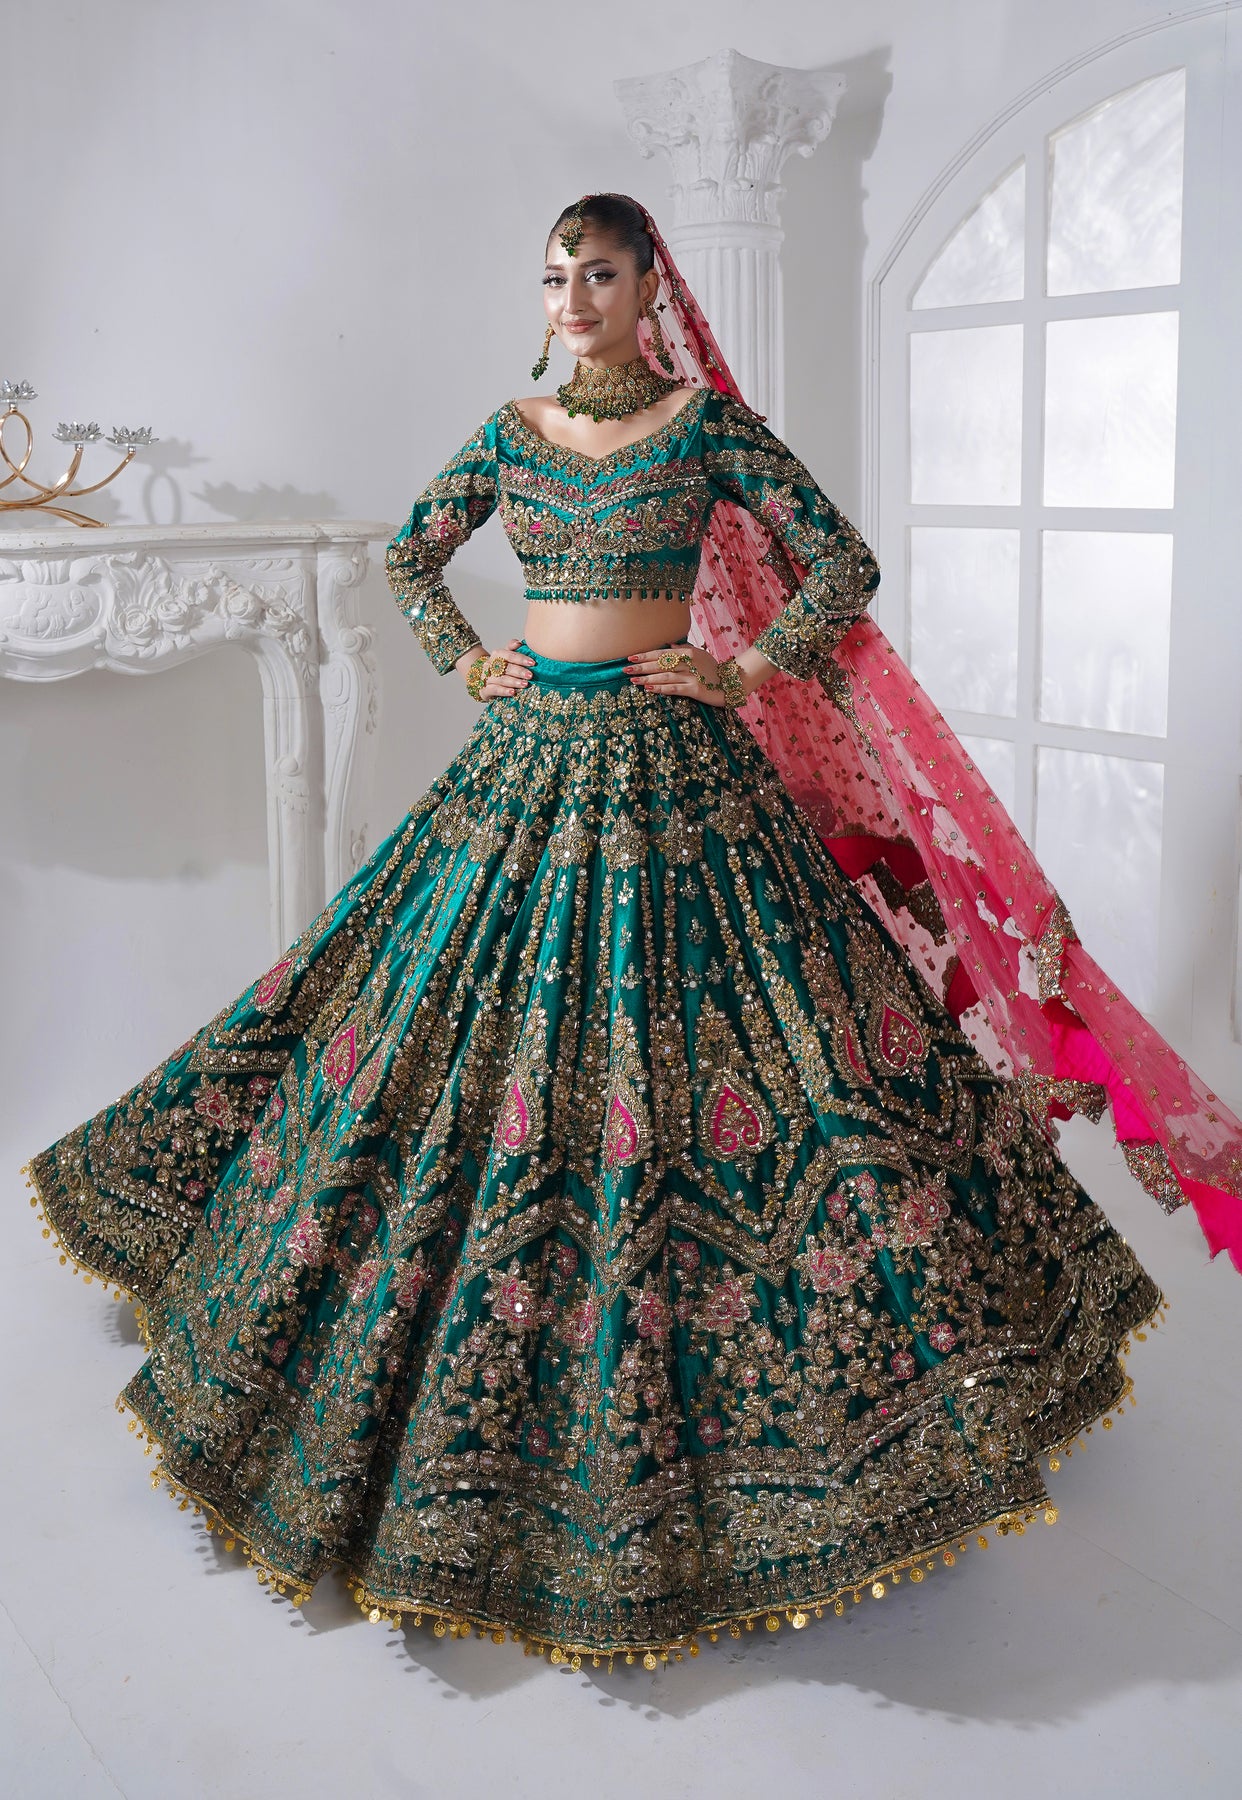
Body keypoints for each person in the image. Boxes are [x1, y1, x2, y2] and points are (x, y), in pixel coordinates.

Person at [21, 191, 1241, 1676]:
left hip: (681, 769)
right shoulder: (513, 430)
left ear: (650, 284)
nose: (574, 297)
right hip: (529, 757)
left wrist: (744, 670)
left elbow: (841, 565)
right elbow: (410, 555)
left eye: (598, 272)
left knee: (774, 1047)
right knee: (416, 1015)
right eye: (555, 276)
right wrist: (467, 659)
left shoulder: (703, 426)